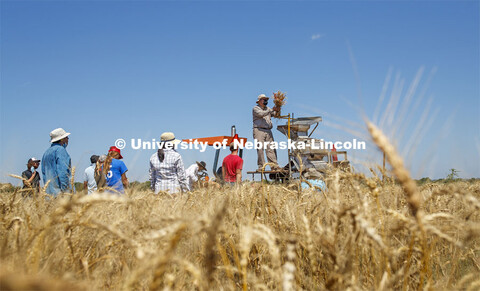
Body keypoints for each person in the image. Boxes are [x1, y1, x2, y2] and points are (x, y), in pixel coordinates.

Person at [252, 94, 280, 170]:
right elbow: (261, 114)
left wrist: (278, 108)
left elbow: (275, 115)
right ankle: (261, 166)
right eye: (263, 99)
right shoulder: (255, 108)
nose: (265, 101)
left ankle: (274, 166)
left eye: (266, 100)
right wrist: (271, 110)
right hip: (259, 130)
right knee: (260, 148)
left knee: (271, 148)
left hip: (268, 130)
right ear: (259, 101)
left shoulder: (268, 109)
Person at [41, 128, 72, 195]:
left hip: (49, 194)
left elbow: (44, 174)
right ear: (62, 139)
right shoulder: (60, 150)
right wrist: (66, 191)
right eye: (66, 137)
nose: (68, 139)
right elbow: (63, 172)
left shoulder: (46, 153)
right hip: (59, 193)